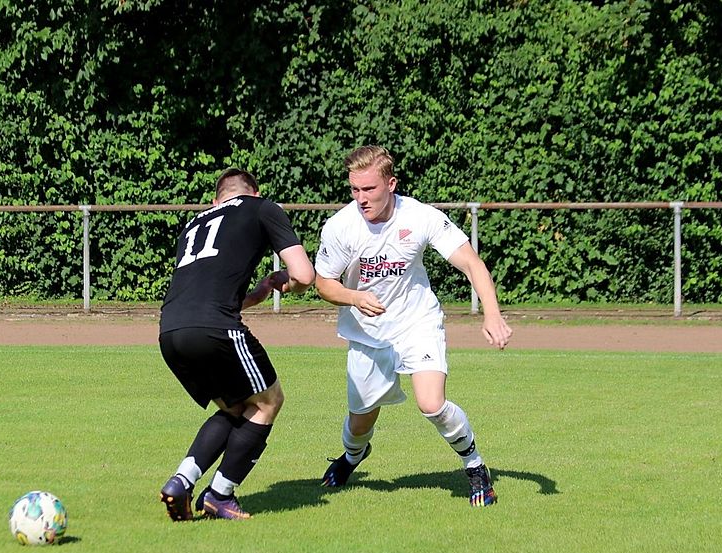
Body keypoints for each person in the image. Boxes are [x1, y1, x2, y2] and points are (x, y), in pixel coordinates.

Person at [314, 145, 512, 506]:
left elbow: (471, 264)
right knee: (360, 425)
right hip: (367, 333)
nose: (361, 199)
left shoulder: (421, 217)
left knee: (431, 403)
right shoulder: (340, 226)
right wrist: (354, 297)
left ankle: (475, 465)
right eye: (354, 190)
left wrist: (492, 313)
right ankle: (352, 458)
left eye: (369, 189)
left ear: (391, 184)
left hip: (416, 322)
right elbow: (323, 282)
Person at [158, 168, 315, 521]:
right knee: (268, 401)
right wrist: (287, 284)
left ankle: (182, 482)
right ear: (254, 193)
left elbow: (209, 291)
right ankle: (220, 494)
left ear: (217, 200)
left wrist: (257, 293)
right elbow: (304, 275)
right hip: (215, 330)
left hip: (170, 331)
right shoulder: (261, 208)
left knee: (233, 408)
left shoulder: (194, 224)